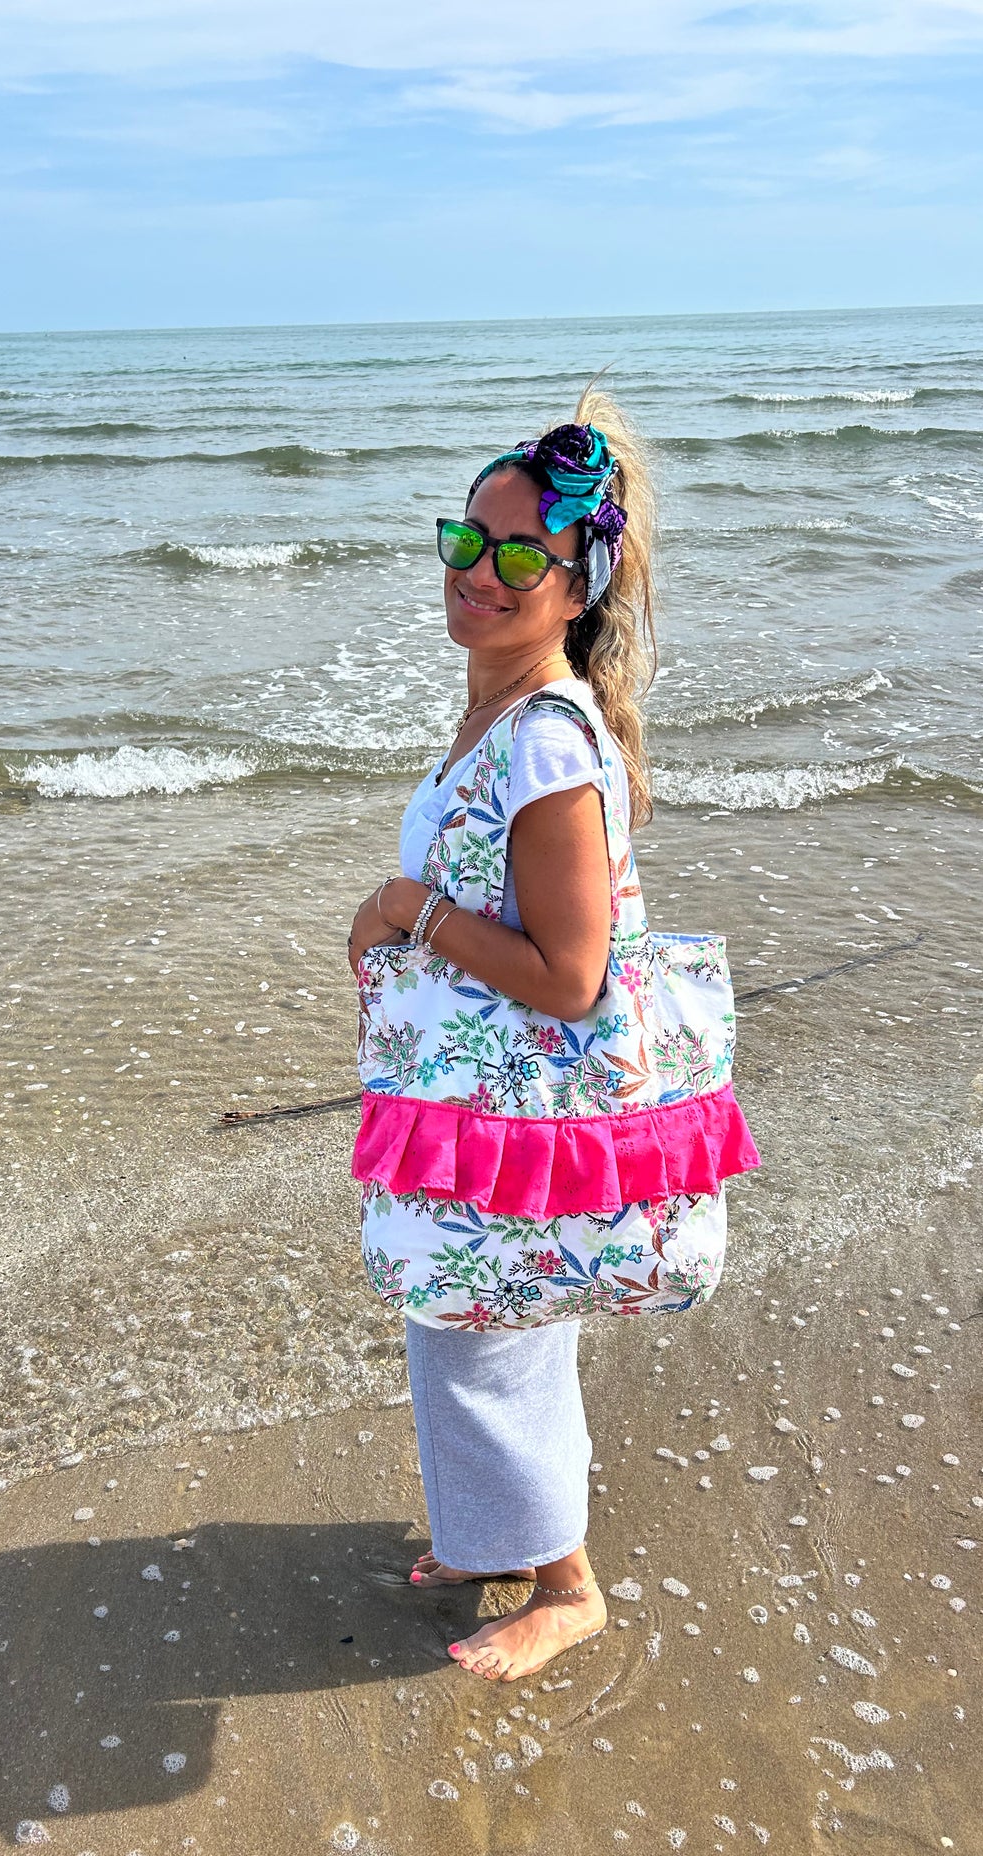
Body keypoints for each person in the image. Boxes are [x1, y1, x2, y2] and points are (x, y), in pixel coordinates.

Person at [346, 386, 750, 1683]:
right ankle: (487, 1540)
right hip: (486, 1111)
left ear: (574, 584)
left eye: (520, 555)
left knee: (486, 1336)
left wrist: (410, 913)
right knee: (473, 1328)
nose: (480, 570)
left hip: (525, 1124)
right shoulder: (502, 715)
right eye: (466, 540)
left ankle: (565, 1584)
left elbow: (573, 979)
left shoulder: (544, 748)